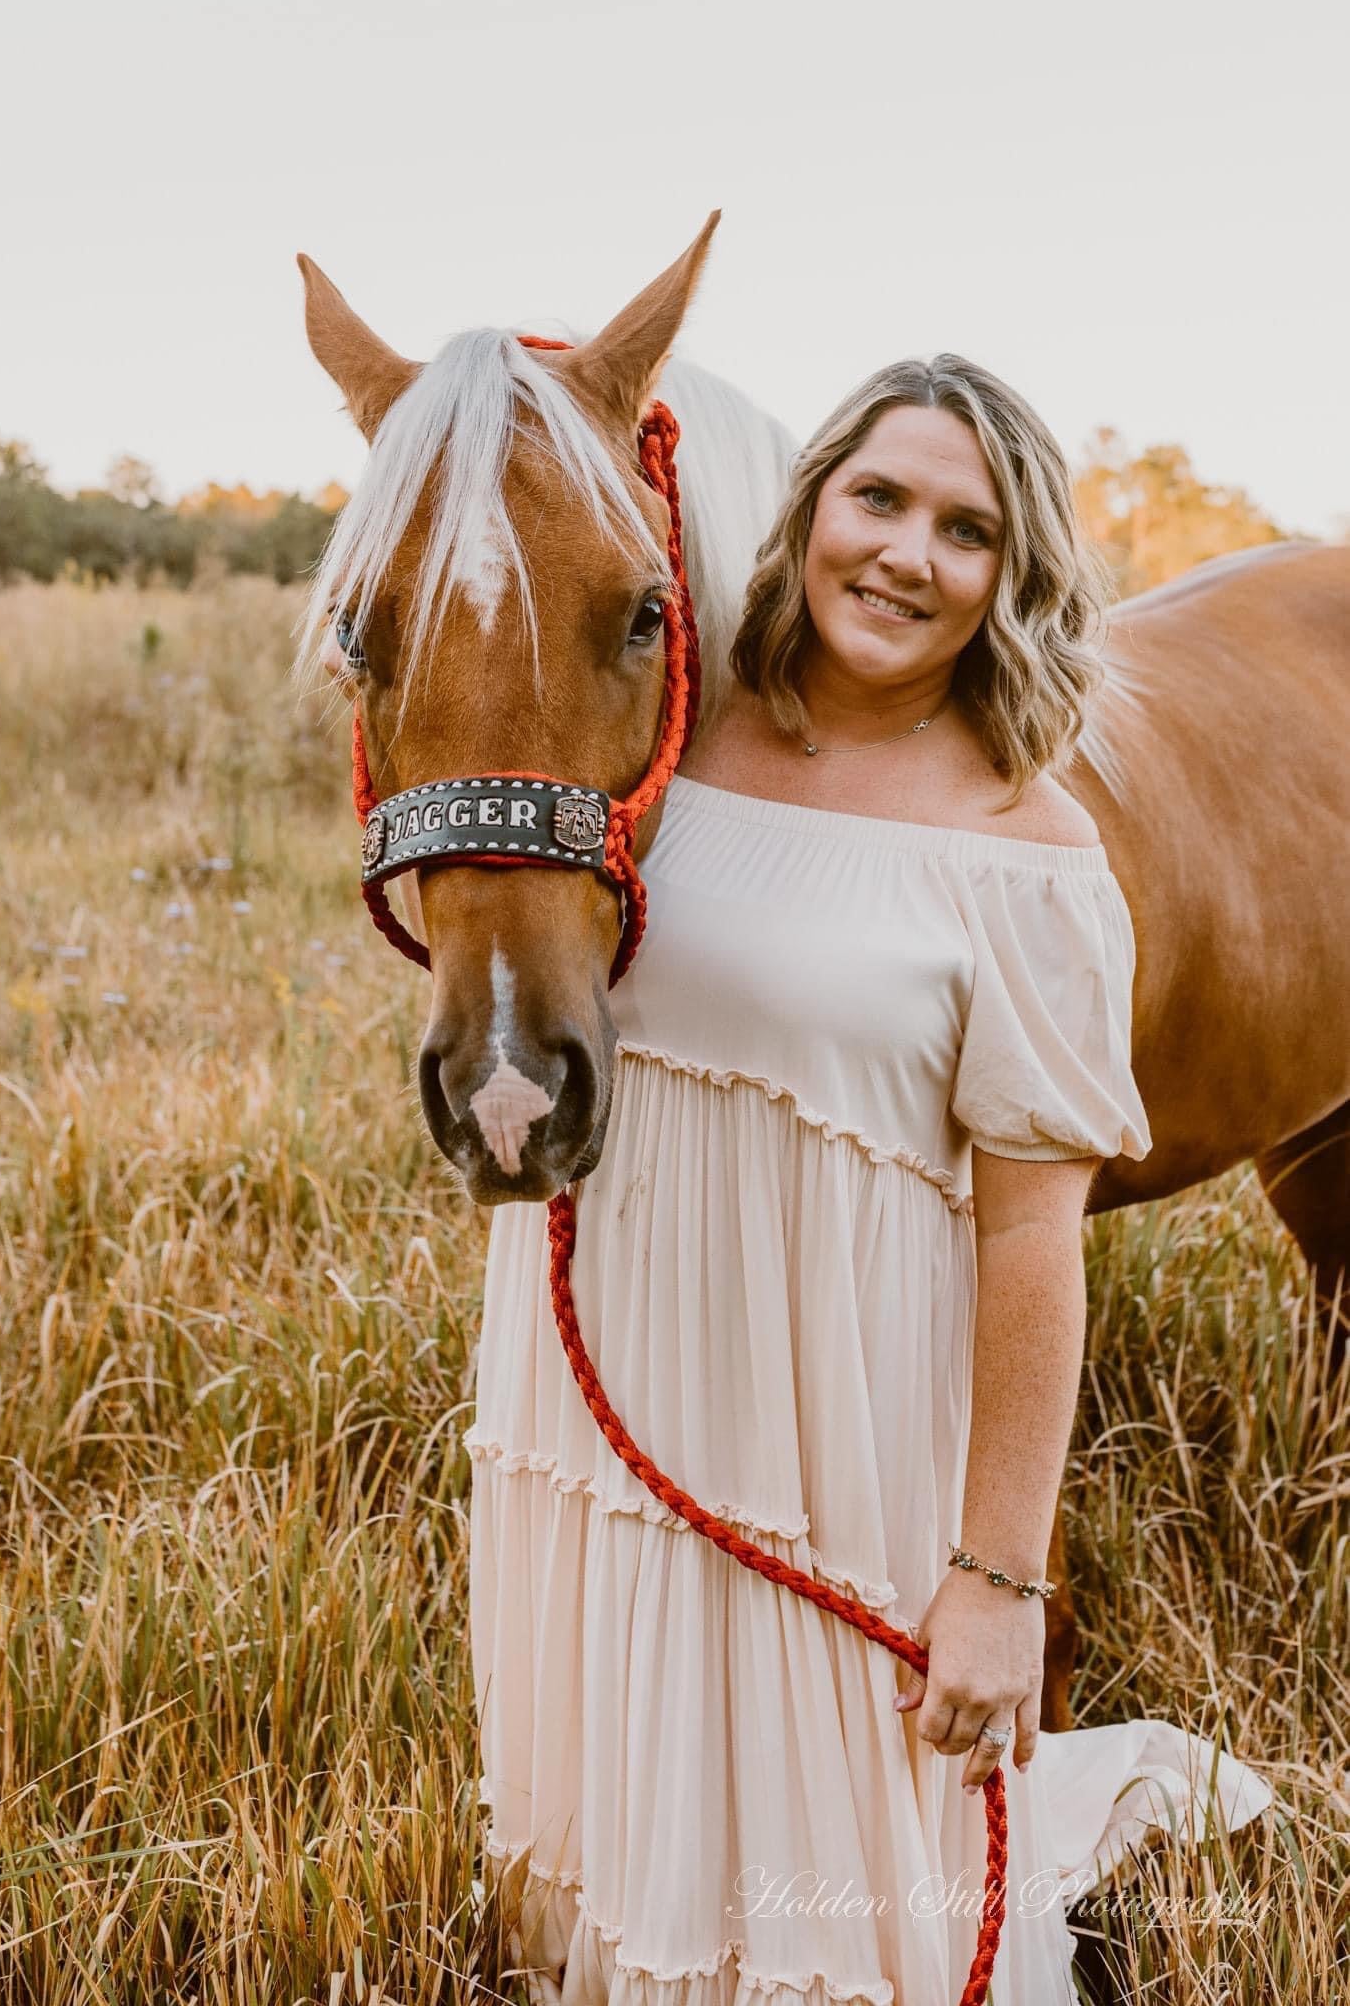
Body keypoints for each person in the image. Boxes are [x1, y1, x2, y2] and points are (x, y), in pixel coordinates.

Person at [465, 355, 1272, 2006]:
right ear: (809, 508)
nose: (906, 553)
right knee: (632, 1777)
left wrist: (994, 1584)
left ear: (1012, 573)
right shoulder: (669, 752)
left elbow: (1035, 1241)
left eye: (963, 530)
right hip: (608, 1373)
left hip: (835, 1422)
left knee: (848, 1880)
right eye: (878, 500)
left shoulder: (1026, 851)